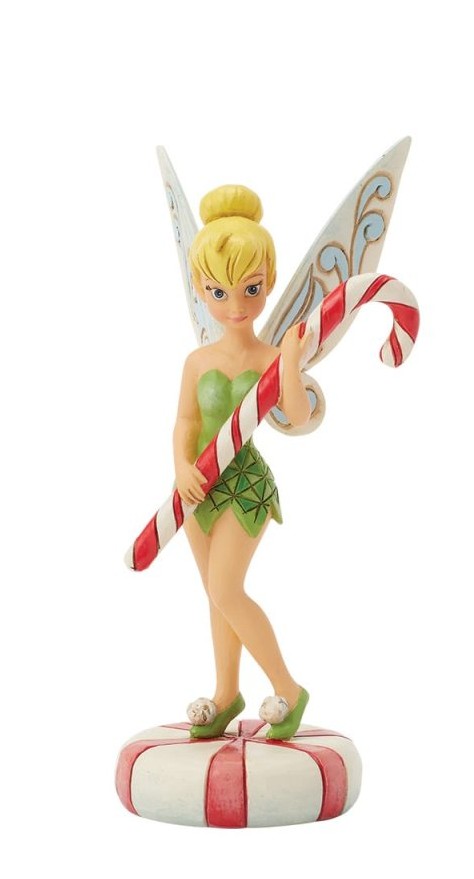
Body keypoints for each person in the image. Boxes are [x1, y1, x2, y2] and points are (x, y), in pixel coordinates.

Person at [173, 184, 311, 740]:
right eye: (219, 291)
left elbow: (297, 415)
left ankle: (289, 689)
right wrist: (181, 466)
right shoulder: (197, 360)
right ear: (200, 289)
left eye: (251, 289)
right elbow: (186, 423)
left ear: (269, 282)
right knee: (215, 594)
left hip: (244, 485)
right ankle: (226, 693)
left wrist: (292, 360)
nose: (236, 305)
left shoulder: (271, 357)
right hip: (197, 489)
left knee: (227, 589)